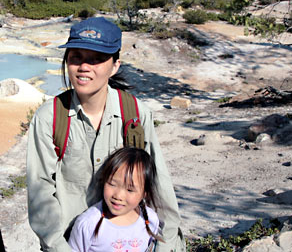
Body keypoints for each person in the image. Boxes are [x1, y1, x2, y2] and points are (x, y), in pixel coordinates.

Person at [27, 16, 184, 252]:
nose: (84, 67)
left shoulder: (135, 115)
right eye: (76, 57)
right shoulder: (49, 118)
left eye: (96, 59)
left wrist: (167, 243)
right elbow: (40, 193)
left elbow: (158, 183)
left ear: (115, 65)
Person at [68, 147, 164, 252]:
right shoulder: (88, 224)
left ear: (144, 193)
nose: (118, 196)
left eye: (130, 190)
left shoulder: (150, 220)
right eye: (112, 184)